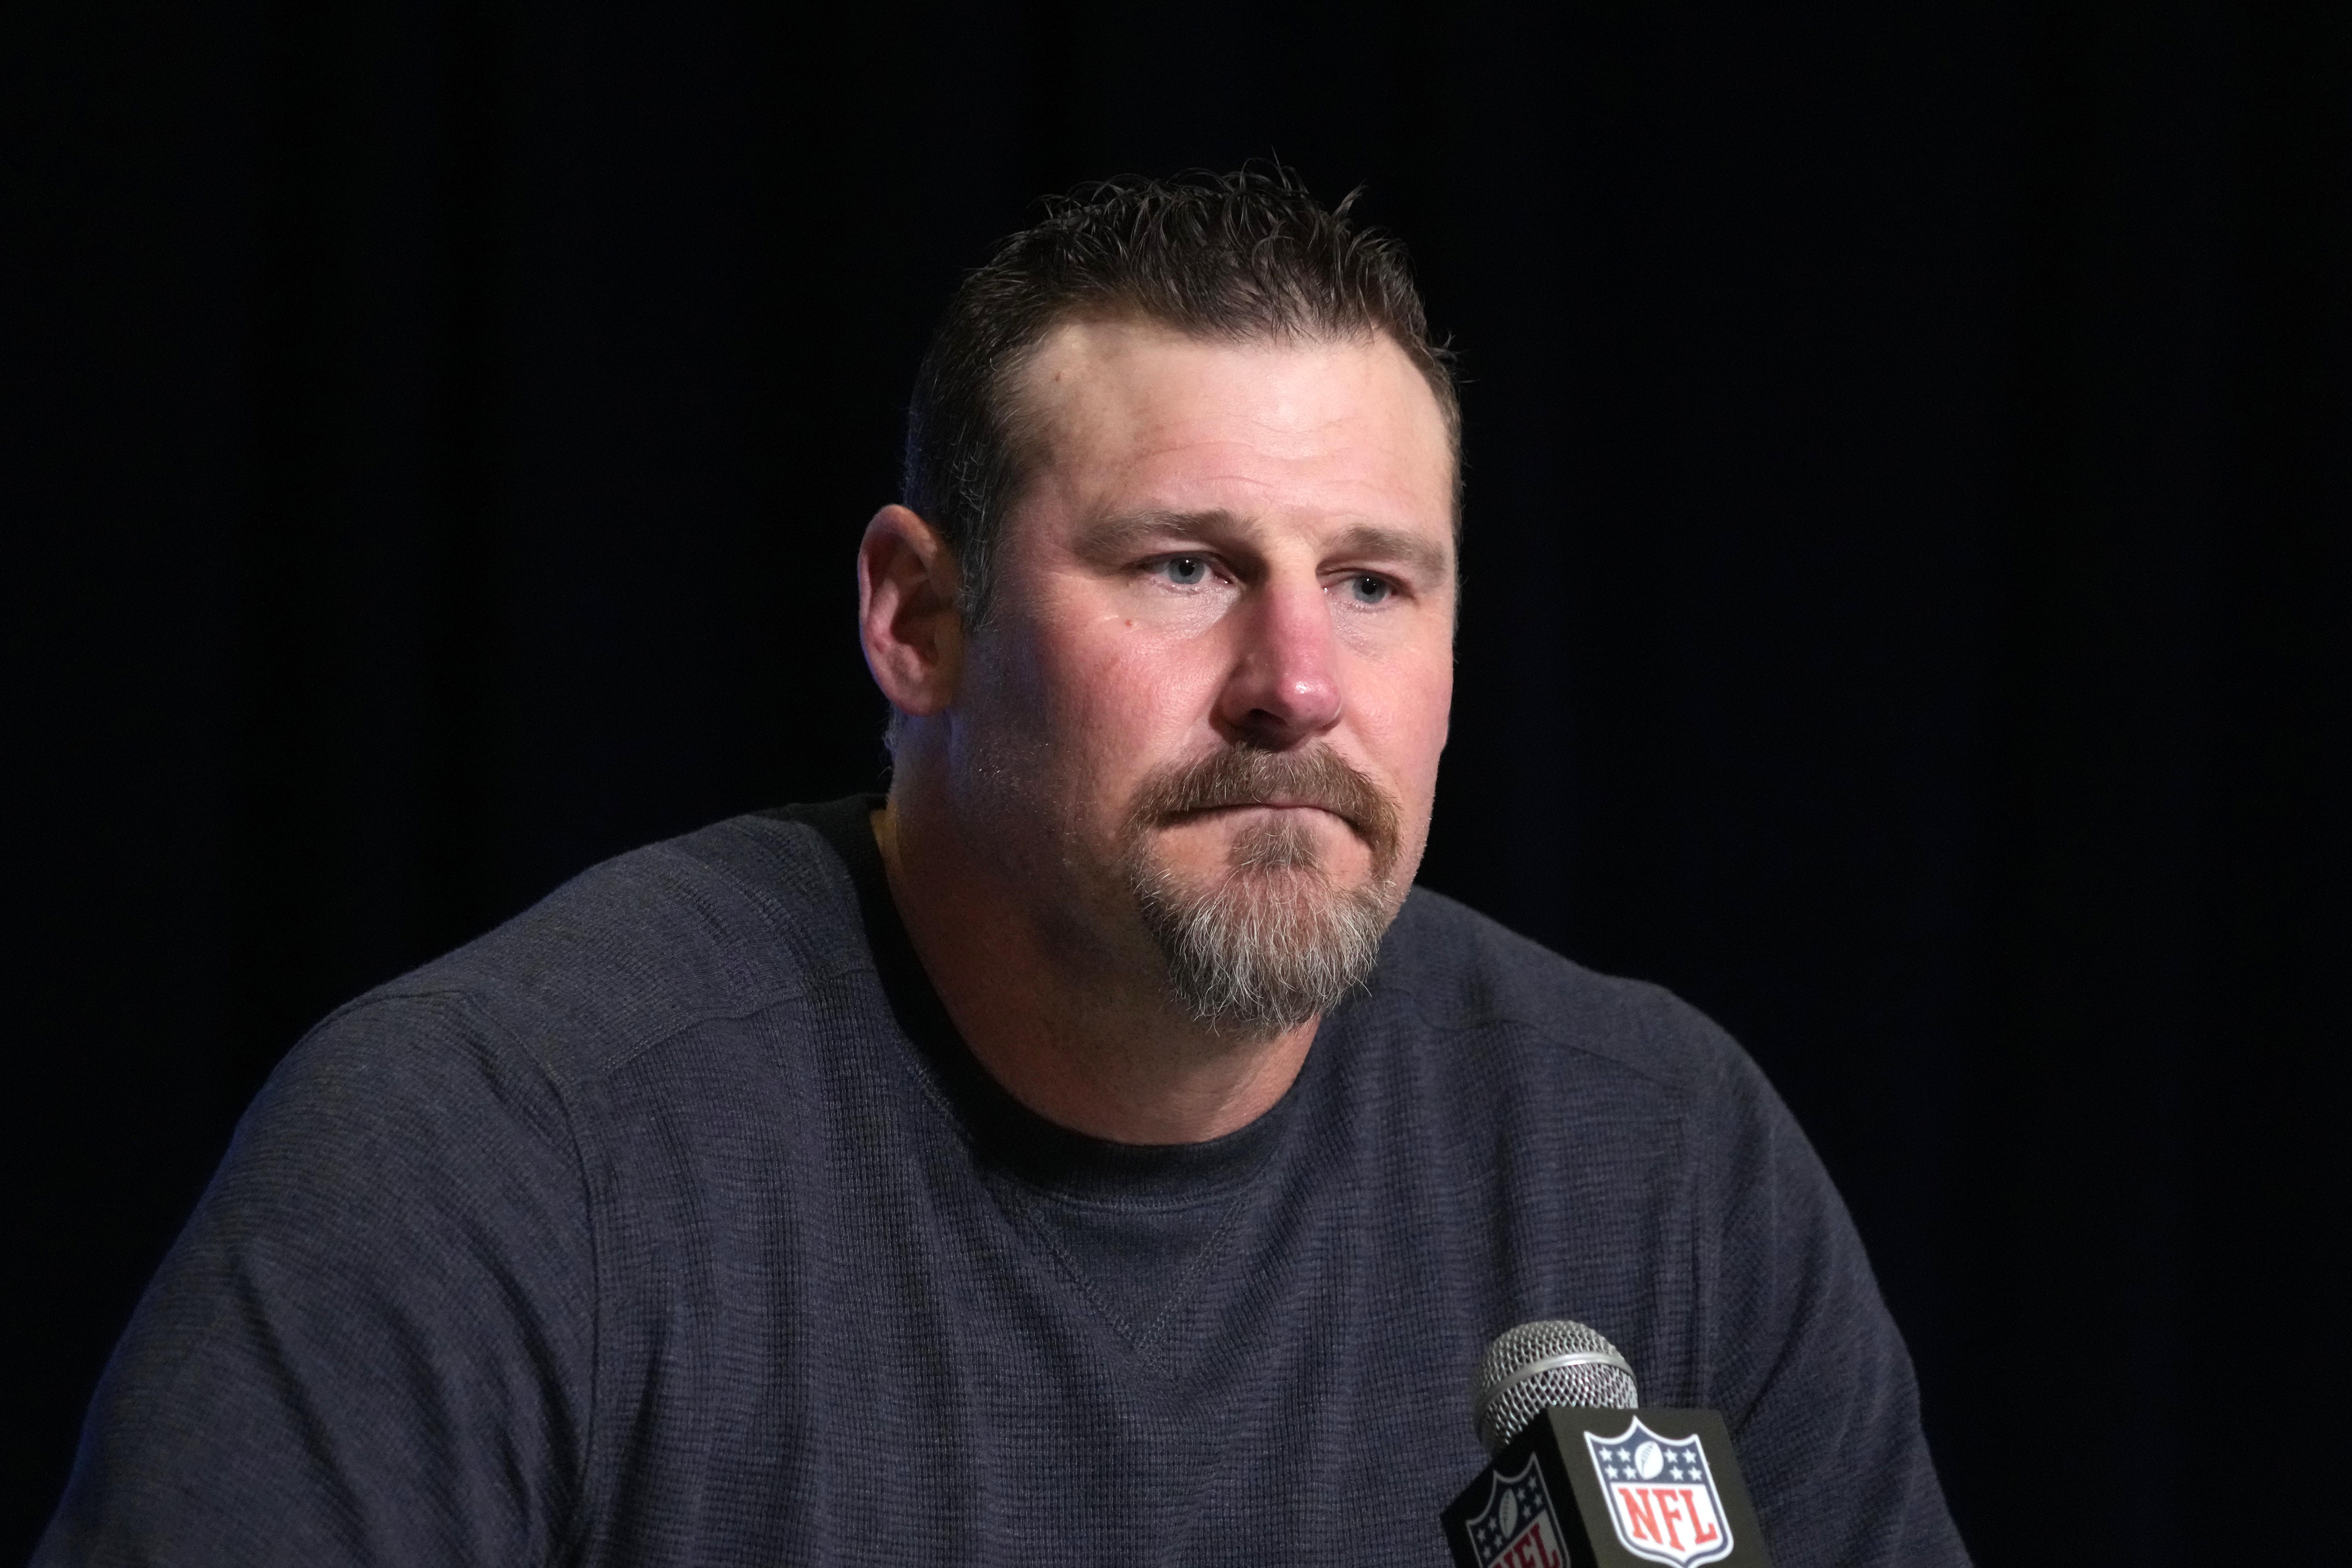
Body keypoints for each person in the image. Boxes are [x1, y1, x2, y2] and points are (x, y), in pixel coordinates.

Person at [36, 169, 1969, 1566]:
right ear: (916, 617)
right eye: (1183, 567)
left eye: (1373, 583)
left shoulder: (1654, 1162)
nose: (1296, 684)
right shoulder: (502, 1147)